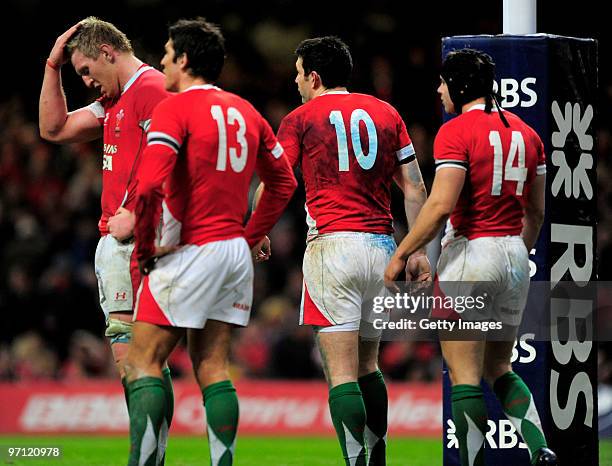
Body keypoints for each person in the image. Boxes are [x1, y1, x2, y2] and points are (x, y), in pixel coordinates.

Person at [124, 18, 297, 466]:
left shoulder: (174, 108)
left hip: (190, 249)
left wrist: (145, 249)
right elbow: (283, 182)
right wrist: (250, 235)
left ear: (183, 59)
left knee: (141, 362)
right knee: (213, 367)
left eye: (166, 53)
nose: (161, 61)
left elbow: (146, 189)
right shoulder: (247, 111)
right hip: (233, 254)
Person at [384, 48, 557, 466]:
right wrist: (518, 251)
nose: (439, 89)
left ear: (460, 87)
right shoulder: (528, 134)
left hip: (470, 253)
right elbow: (535, 211)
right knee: (499, 367)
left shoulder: (456, 131)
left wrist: (403, 251)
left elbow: (441, 204)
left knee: (463, 375)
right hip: (514, 255)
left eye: (443, 82)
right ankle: (540, 448)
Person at [267, 36, 431, 466]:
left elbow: (279, 183)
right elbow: (415, 187)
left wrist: (256, 229)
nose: (296, 81)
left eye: (299, 73)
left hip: (332, 248)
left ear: (315, 77)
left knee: (340, 375)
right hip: (382, 248)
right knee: (368, 367)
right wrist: (416, 251)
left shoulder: (300, 118)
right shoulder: (386, 113)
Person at [38, 16, 174, 460]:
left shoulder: (150, 89)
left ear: (107, 53)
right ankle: (152, 455)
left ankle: (145, 457)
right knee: (144, 361)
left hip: (138, 239)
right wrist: (52, 67)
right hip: (122, 240)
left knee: (137, 360)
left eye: (85, 70)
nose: (87, 82)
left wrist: (134, 212)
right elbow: (53, 129)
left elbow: (172, 156)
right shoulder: (115, 99)